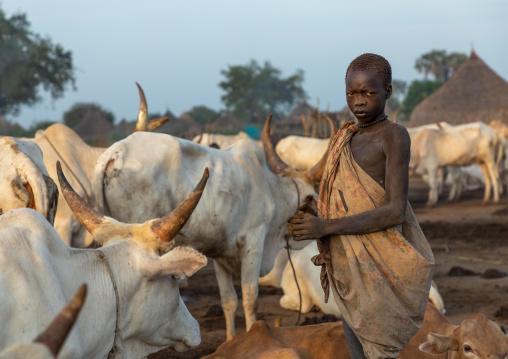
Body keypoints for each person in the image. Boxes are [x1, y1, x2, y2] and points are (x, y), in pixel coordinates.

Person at [287, 53, 435, 359]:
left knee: (378, 350)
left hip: (379, 264)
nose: (359, 101)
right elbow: (340, 199)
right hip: (347, 263)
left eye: (369, 92)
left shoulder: (393, 136)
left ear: (388, 92)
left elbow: (395, 210)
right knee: (357, 351)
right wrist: (314, 216)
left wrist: (325, 226)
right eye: (351, 93)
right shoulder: (344, 139)